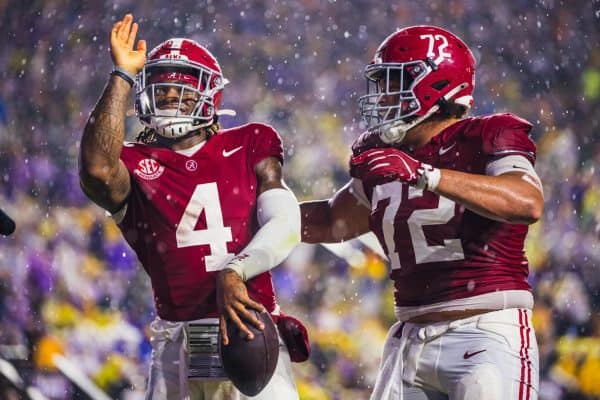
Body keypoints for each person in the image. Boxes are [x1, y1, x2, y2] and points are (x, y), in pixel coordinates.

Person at [301, 25, 544, 400]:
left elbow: (527, 202)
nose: (382, 96)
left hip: (485, 332)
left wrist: (425, 175)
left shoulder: (487, 135)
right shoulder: (379, 153)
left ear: (434, 84)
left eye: (392, 82)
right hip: (408, 339)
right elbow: (333, 221)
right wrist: (251, 211)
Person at [79, 14, 302, 400]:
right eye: (160, 88)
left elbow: (286, 220)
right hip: (177, 340)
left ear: (210, 94)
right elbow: (97, 170)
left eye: (180, 88)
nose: (167, 95)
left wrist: (238, 269)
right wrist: (122, 75)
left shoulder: (251, 141)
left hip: (249, 328)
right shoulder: (134, 161)